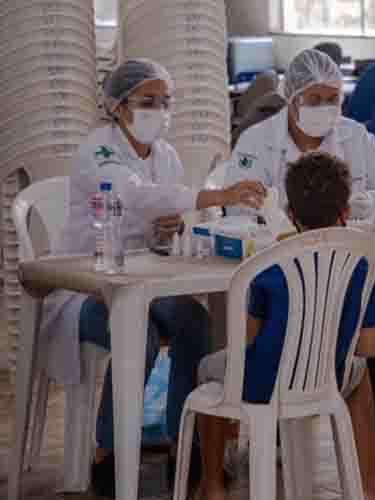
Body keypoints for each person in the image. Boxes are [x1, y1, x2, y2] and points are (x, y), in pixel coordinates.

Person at [32, 59, 267, 497]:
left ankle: (188, 443)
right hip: (85, 284)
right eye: (147, 102)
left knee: (194, 322)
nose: (158, 111)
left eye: (164, 102)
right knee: (134, 333)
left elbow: (160, 217)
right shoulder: (97, 150)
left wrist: (170, 229)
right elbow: (132, 196)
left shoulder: (167, 156)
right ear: (119, 107)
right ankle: (109, 451)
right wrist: (216, 195)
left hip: (142, 279)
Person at [226, 48, 375, 453]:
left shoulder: (355, 135)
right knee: (283, 313)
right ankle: (279, 430)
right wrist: (288, 206)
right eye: (313, 99)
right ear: (292, 98)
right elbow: (235, 205)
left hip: (348, 254)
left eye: (332, 98)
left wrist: (359, 204)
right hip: (283, 261)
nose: (324, 108)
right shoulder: (257, 140)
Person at [195, 152, 375, 500]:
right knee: (359, 375)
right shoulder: (364, 260)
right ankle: (368, 487)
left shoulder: (267, 266)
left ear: (290, 215)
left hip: (263, 383)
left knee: (208, 367)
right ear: (346, 211)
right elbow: (372, 347)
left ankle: (212, 484)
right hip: (327, 379)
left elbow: (251, 341)